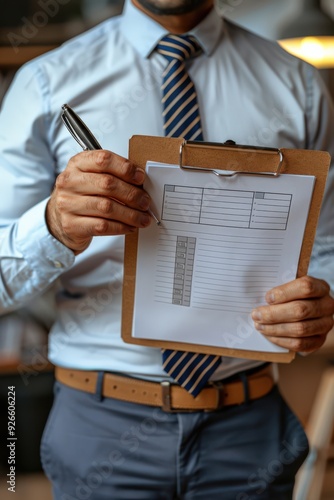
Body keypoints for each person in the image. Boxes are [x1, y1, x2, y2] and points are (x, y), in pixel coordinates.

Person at [1, 0, 334, 498]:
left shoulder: (299, 84)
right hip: (99, 425)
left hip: (250, 429)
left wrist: (319, 303)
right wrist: (52, 225)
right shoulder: (44, 83)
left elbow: (325, 244)